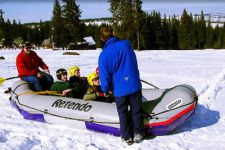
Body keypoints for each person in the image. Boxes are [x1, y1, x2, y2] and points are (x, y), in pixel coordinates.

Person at [98, 27, 144, 145]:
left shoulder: (103, 55)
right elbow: (132, 61)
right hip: (134, 84)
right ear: (113, 34)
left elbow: (104, 75)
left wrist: (105, 89)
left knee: (123, 113)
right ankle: (138, 132)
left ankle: (127, 136)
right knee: (136, 110)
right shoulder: (126, 44)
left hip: (119, 90)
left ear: (102, 38)